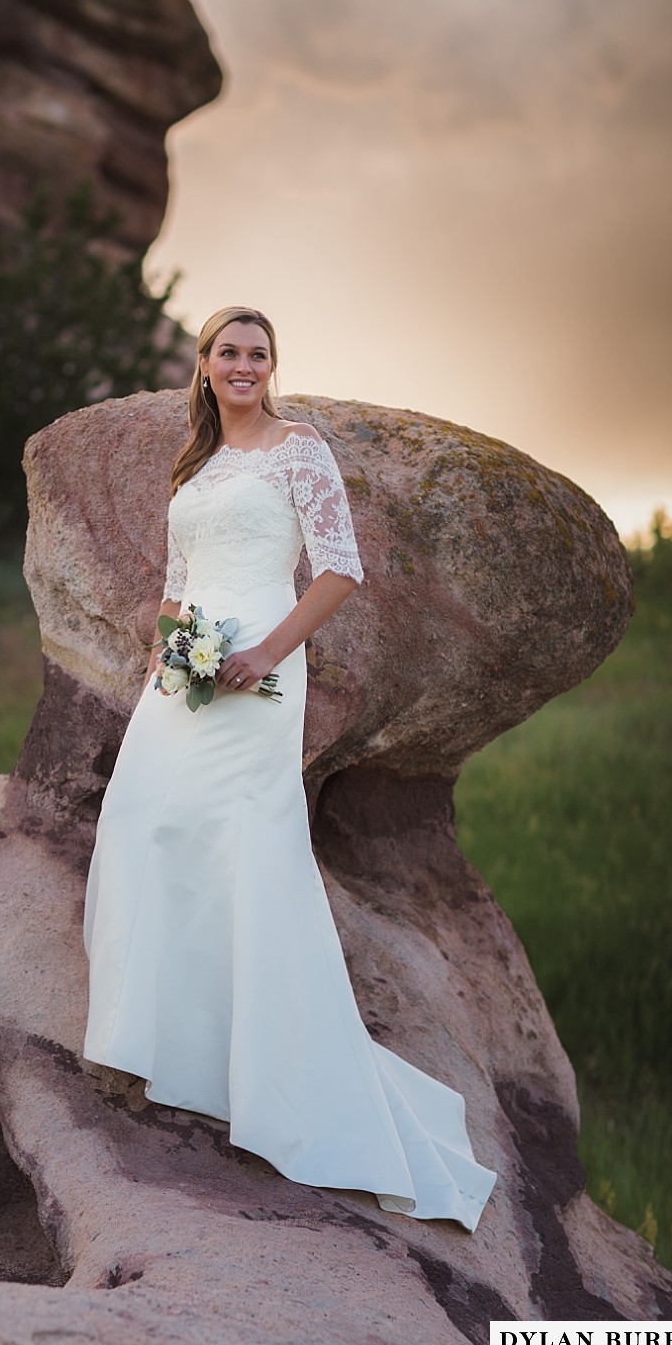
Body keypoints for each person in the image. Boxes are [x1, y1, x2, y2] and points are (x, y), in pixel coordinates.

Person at [82, 306, 496, 1230]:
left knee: (247, 845)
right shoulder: (194, 464)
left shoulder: (300, 448)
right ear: (203, 365)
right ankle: (168, 1041)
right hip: (188, 670)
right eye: (228, 351)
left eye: (257, 354)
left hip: (263, 667)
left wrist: (265, 652)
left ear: (273, 368)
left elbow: (339, 570)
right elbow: (175, 581)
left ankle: (270, 1073)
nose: (243, 365)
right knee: (143, 821)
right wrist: (173, 644)